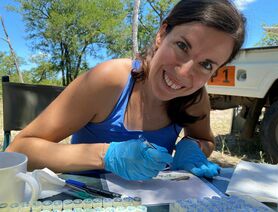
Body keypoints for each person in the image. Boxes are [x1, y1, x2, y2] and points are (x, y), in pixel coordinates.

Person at [6, 0, 245, 181]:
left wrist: (192, 147)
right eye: (182, 46)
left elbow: (205, 139)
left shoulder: (194, 98)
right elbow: (18, 149)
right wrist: (105, 156)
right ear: (162, 34)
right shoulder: (109, 80)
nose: (184, 73)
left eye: (206, 64)